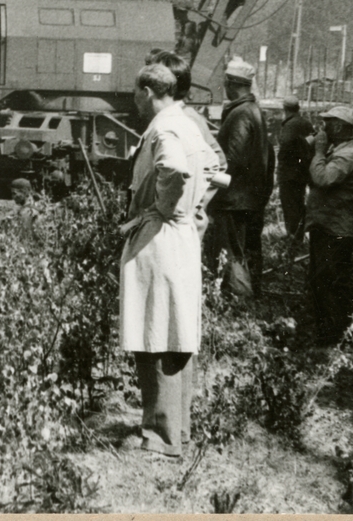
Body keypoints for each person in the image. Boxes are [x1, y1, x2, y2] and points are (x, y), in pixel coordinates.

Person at [119, 62, 215, 458]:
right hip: (181, 237)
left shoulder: (164, 127)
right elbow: (214, 170)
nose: (135, 101)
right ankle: (179, 431)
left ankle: (160, 438)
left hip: (162, 236)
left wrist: (162, 208)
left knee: (156, 332)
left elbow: (173, 169)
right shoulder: (188, 122)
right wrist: (195, 209)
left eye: (136, 94)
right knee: (175, 333)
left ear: (146, 91)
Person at [144, 50, 230, 238]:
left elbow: (219, 164)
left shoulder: (187, 118)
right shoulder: (172, 116)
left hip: (179, 224)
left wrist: (197, 204)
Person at [206, 57, 272, 298]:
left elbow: (232, 161)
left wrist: (211, 187)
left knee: (232, 251)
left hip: (234, 199)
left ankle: (240, 303)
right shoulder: (253, 110)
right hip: (248, 197)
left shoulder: (241, 114)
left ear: (230, 83)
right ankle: (249, 294)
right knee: (243, 249)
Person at [305, 106, 353, 345]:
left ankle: (331, 340)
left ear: (340, 127)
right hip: (327, 227)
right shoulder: (341, 149)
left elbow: (323, 178)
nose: (324, 129)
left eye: (328, 124)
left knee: (328, 285)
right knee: (321, 283)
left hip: (336, 231)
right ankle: (328, 336)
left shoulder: (349, 155)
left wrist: (319, 150)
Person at [277, 95, 314, 248]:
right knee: (298, 204)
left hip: (289, 174)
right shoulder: (306, 123)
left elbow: (285, 147)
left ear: (285, 109)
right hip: (302, 172)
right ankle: (297, 236)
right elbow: (311, 143)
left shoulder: (289, 125)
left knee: (290, 206)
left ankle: (294, 239)